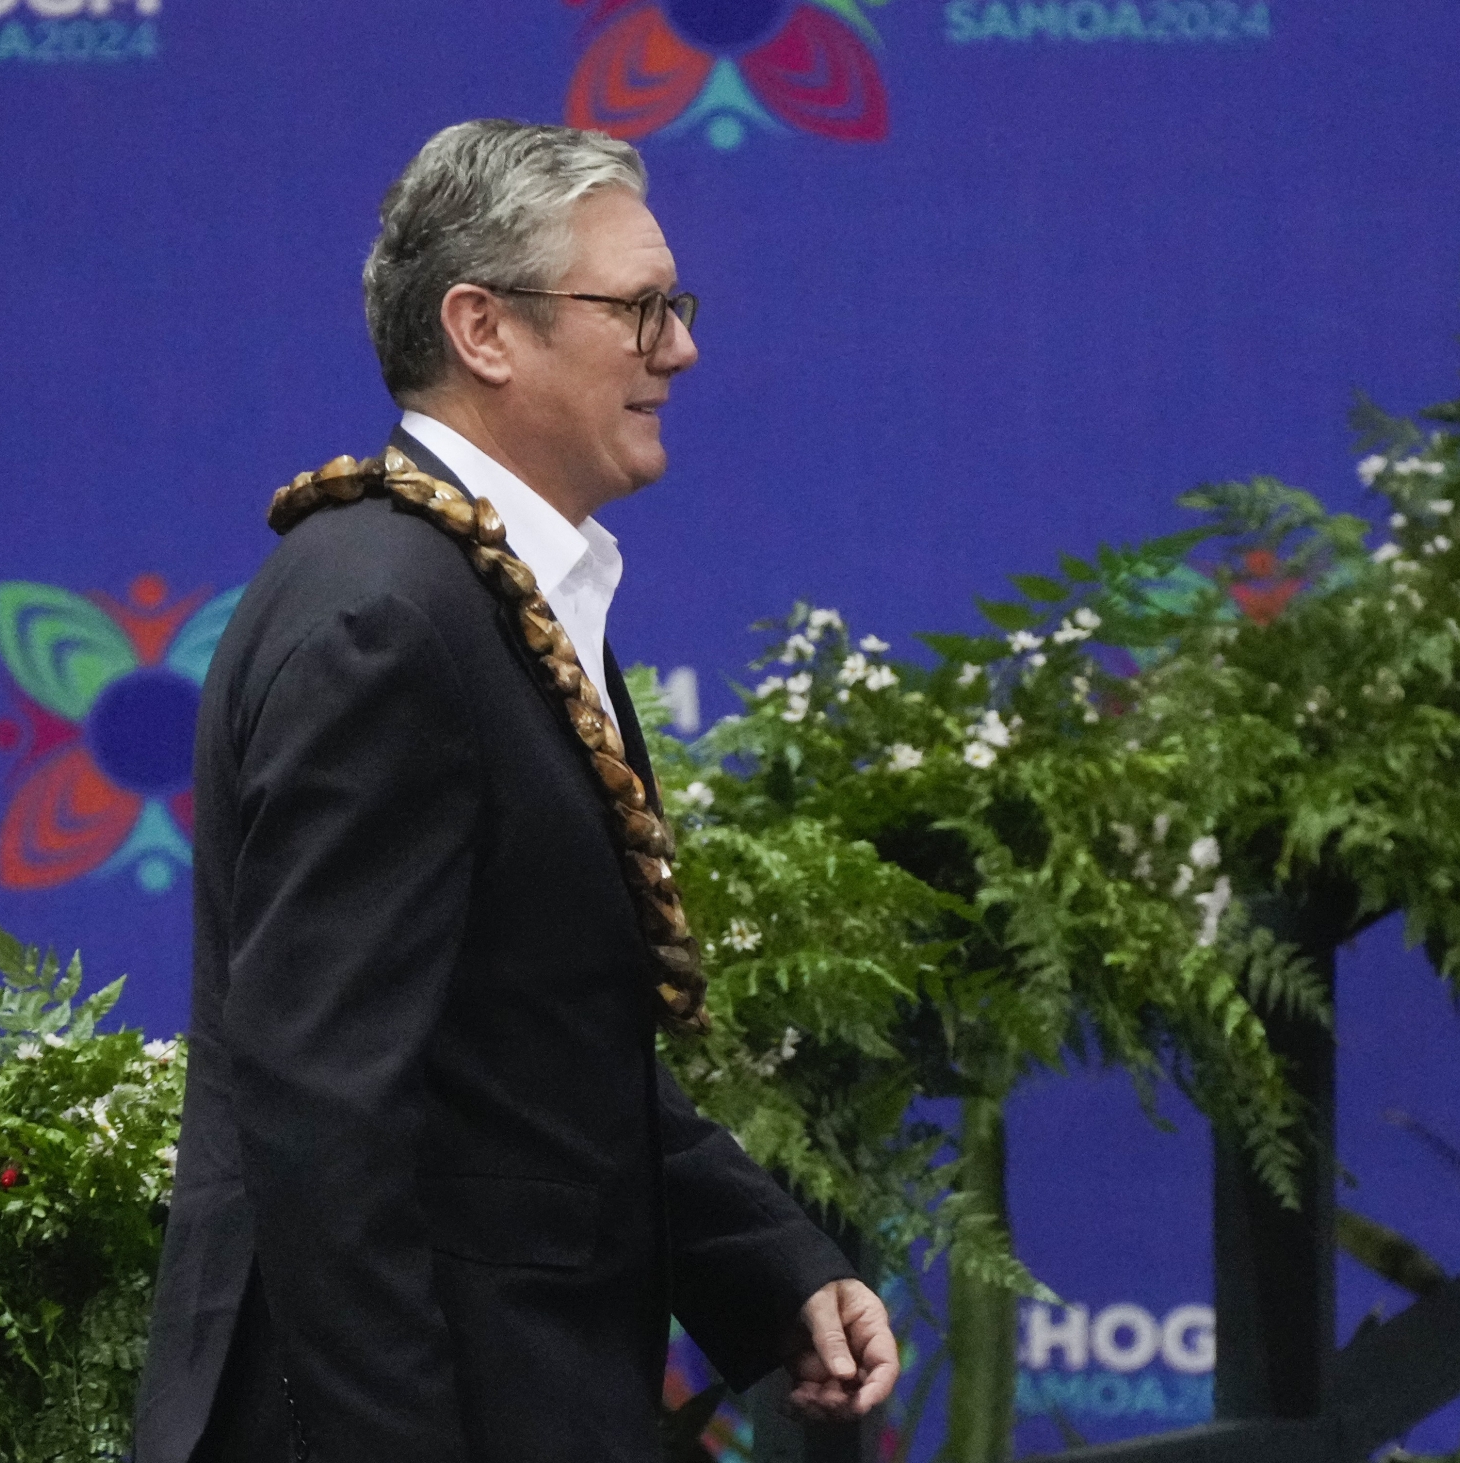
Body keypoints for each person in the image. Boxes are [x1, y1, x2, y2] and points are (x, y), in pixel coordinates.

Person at [134, 119, 900, 1463]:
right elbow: (326, 1110)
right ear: (484, 329)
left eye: (679, 306)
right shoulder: (390, 614)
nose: (680, 348)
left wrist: (771, 1266)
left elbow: (527, 1050)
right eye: (640, 309)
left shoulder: (470, 586)